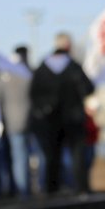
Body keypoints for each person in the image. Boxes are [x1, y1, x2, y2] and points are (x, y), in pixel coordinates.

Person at [28, 32, 94, 194]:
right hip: (73, 118)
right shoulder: (74, 67)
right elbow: (89, 88)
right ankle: (81, 188)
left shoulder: (42, 67)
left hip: (50, 121)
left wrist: (44, 109)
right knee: (77, 155)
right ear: (68, 46)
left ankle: (52, 189)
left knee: (52, 156)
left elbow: (33, 94)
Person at [0, 45, 33, 197]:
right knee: (24, 157)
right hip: (29, 121)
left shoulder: (5, 75)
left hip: (11, 122)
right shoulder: (29, 74)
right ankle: (25, 190)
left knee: (17, 157)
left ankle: (19, 189)